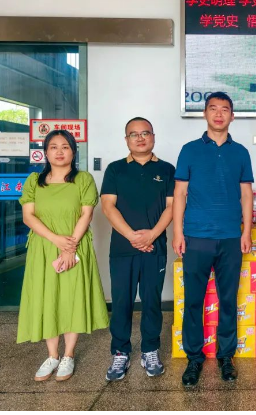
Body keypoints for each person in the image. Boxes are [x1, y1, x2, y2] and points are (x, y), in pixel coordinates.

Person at [173, 92, 254, 387]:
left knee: (228, 300)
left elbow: (246, 194)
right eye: (213, 108)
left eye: (225, 109)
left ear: (232, 115)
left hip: (231, 237)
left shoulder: (241, 152)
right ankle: (194, 358)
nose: (219, 114)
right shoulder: (189, 150)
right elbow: (180, 193)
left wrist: (246, 231)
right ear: (205, 114)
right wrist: (178, 232)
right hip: (196, 236)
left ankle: (225, 356)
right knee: (194, 300)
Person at [18, 130, 109, 382]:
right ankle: (52, 355)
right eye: (53, 147)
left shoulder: (83, 179)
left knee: (72, 296)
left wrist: (69, 247)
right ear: (46, 152)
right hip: (43, 247)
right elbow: (28, 216)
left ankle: (68, 355)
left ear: (73, 152)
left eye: (65, 147)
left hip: (75, 244)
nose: (59, 152)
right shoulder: (34, 181)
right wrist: (56, 240)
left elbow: (86, 214)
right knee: (47, 296)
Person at [101, 117, 175, 381]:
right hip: (123, 248)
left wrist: (152, 235)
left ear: (153, 136)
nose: (140, 138)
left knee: (152, 301)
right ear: (126, 140)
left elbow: (173, 206)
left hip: (155, 247)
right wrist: (133, 236)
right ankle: (120, 352)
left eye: (145, 133)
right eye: (134, 134)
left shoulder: (167, 169)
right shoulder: (115, 169)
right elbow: (107, 206)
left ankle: (150, 350)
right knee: (121, 301)